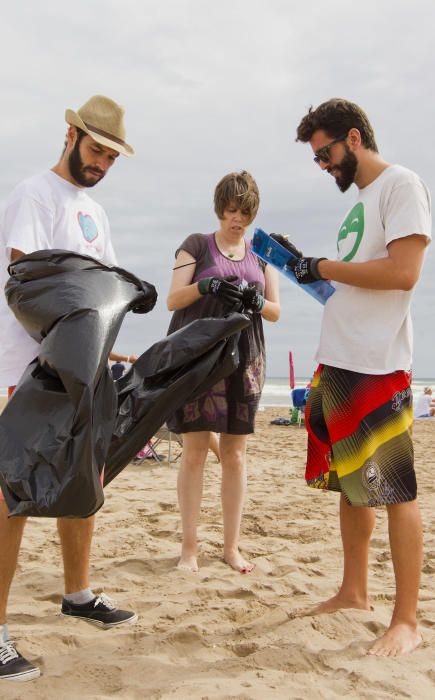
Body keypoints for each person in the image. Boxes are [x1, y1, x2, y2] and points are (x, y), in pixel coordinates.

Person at [0, 95, 143, 682]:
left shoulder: (94, 210)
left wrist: (107, 347)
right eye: (96, 150)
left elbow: (99, 293)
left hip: (85, 365)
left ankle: (77, 593)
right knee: (17, 493)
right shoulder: (34, 195)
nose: (101, 164)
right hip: (37, 367)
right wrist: (64, 350)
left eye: (112, 157)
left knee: (85, 476)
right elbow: (28, 282)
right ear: (70, 134)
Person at [289, 98, 431, 656]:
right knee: (353, 488)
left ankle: (407, 620)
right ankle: (354, 591)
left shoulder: (402, 185)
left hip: (379, 363)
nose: (323, 166)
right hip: (341, 356)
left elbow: (403, 272)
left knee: (396, 490)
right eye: (316, 160)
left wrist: (323, 266)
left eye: (325, 154)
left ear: (353, 138)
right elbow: (354, 281)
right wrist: (310, 270)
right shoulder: (365, 202)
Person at [166, 171, 280, 574]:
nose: (238, 220)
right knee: (195, 453)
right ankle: (190, 549)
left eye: (245, 212)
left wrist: (256, 298)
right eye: (232, 211)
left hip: (246, 357)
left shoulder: (262, 253)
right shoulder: (197, 245)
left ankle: (231, 548)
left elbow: (275, 311)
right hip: (201, 355)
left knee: (234, 456)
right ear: (220, 209)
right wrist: (207, 286)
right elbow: (173, 299)